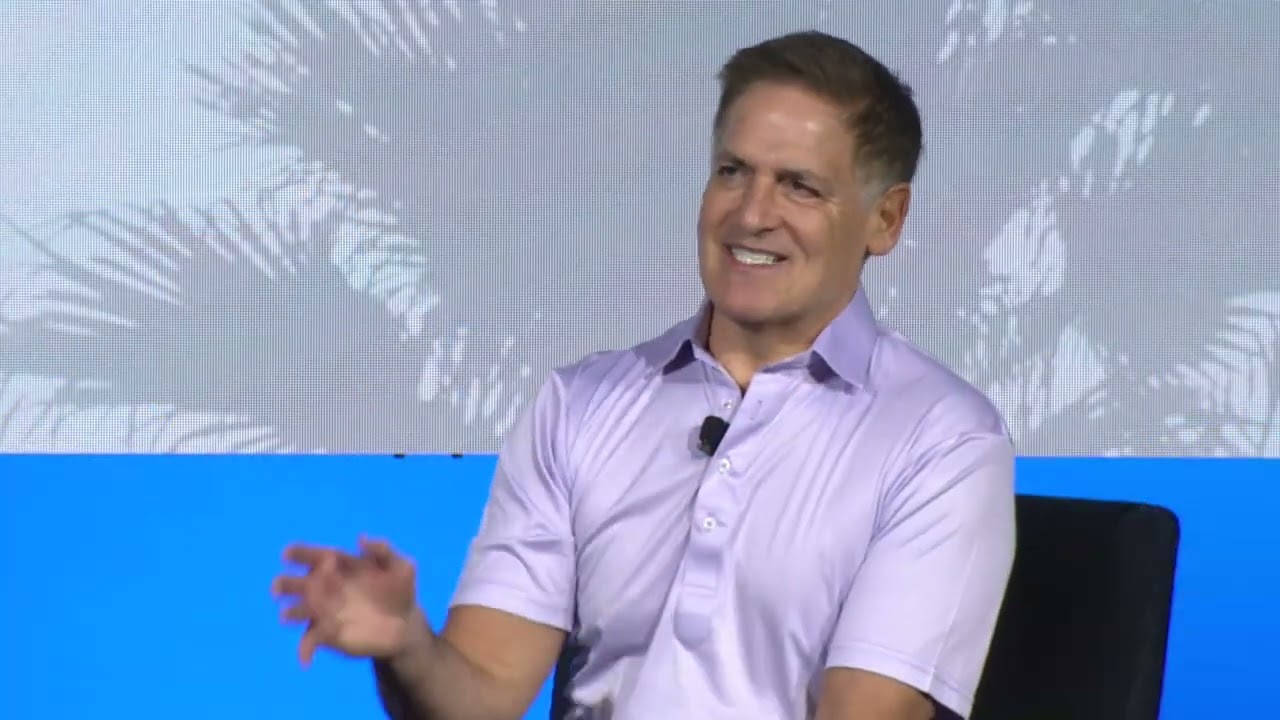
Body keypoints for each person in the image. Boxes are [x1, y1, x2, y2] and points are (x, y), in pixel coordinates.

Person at [272, 30, 1016, 720]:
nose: (752, 214)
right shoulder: (581, 405)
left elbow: (868, 711)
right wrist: (407, 645)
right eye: (733, 171)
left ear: (886, 219)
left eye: (799, 186)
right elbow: (482, 692)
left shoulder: (941, 438)